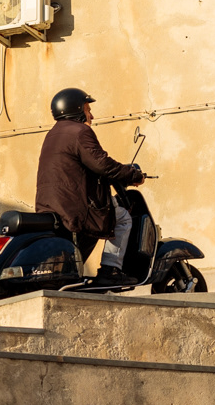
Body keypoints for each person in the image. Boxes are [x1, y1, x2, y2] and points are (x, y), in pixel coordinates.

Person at [36, 88, 144, 286]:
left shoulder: (52, 135)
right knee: (123, 218)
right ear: (77, 109)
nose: (91, 115)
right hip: (74, 205)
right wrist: (133, 175)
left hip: (52, 205)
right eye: (87, 109)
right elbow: (102, 164)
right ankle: (111, 270)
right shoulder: (80, 131)